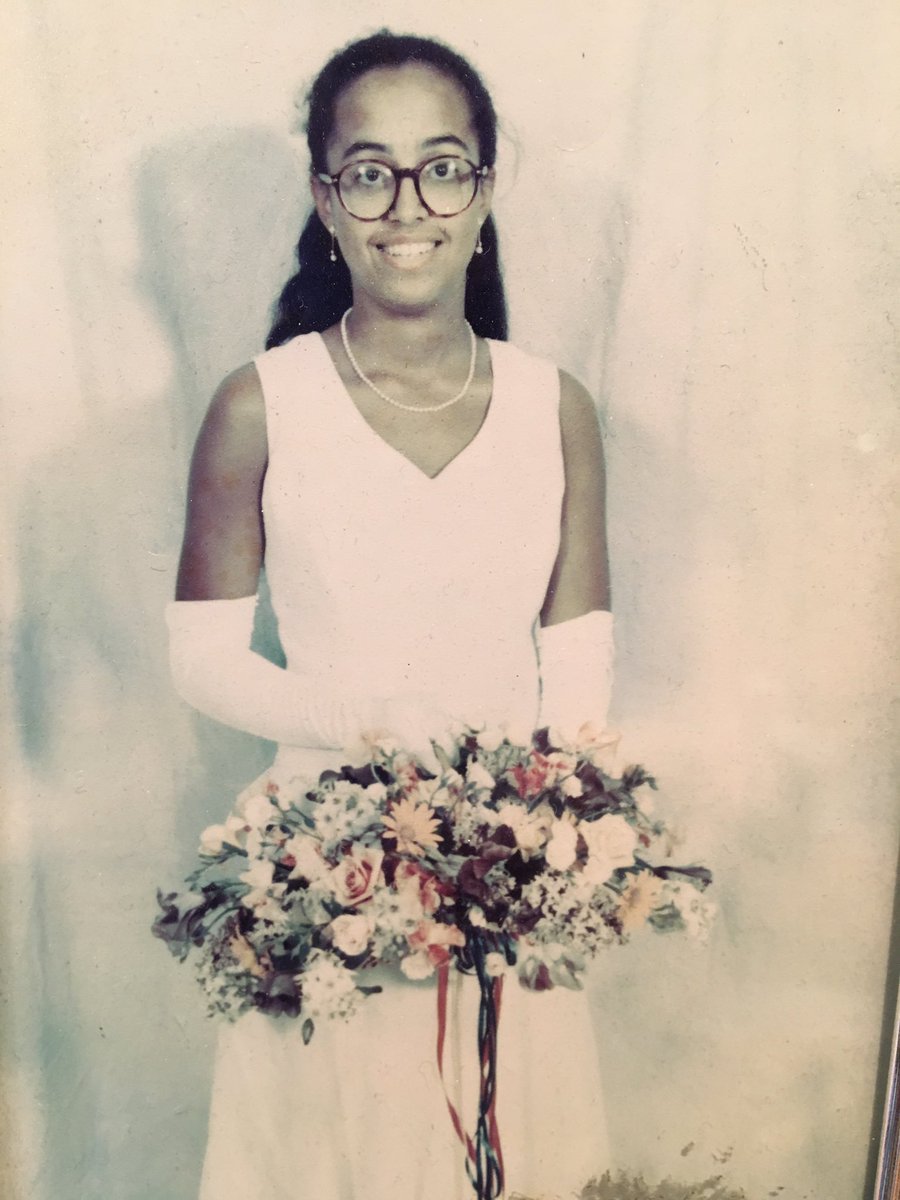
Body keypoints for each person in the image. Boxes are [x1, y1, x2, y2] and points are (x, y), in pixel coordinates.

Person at [166, 29, 614, 1200]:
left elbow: (579, 669)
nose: (407, 207)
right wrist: (368, 721)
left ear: (485, 187)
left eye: (442, 168)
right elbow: (202, 659)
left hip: (505, 876)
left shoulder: (554, 407)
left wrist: (540, 837)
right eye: (370, 172)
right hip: (328, 879)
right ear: (326, 197)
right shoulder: (260, 405)